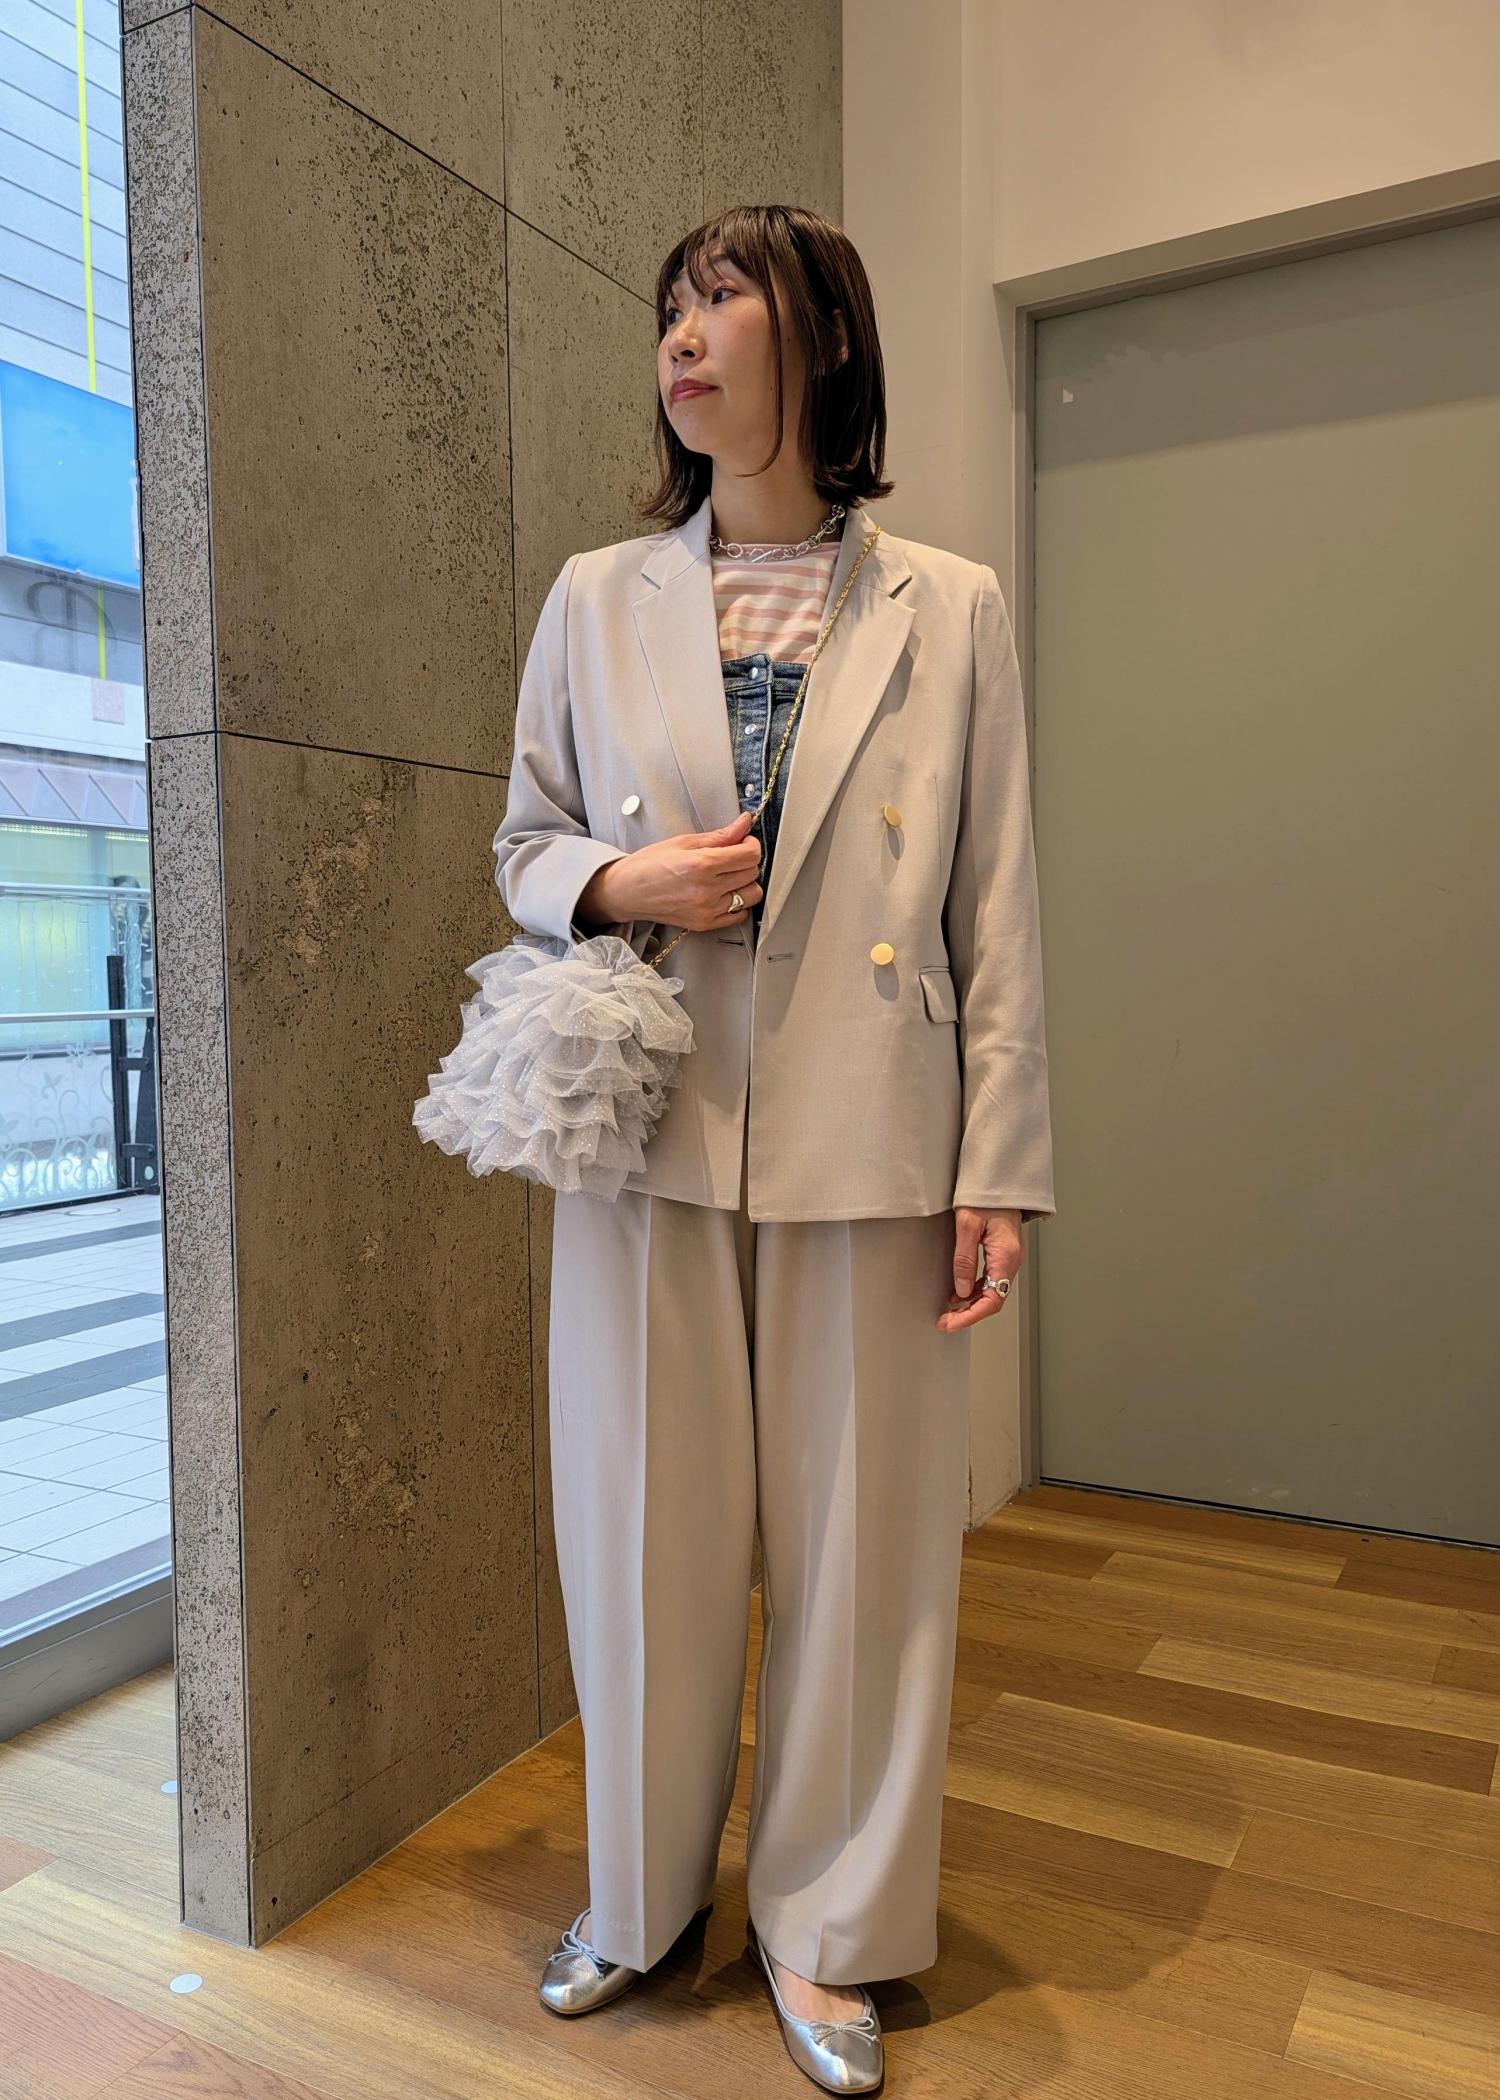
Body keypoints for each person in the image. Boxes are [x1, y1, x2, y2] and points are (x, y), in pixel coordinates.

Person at [493, 203, 1055, 2095]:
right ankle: (642, 1900)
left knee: (864, 1549)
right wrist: (620, 882)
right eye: (670, 303)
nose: (684, 330)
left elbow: (997, 902)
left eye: (724, 295)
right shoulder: (595, 597)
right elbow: (524, 846)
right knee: (639, 1533)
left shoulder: (949, 605)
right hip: (644, 1124)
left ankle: (829, 1932)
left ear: (822, 337)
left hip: (874, 1129)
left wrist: (1001, 1166)